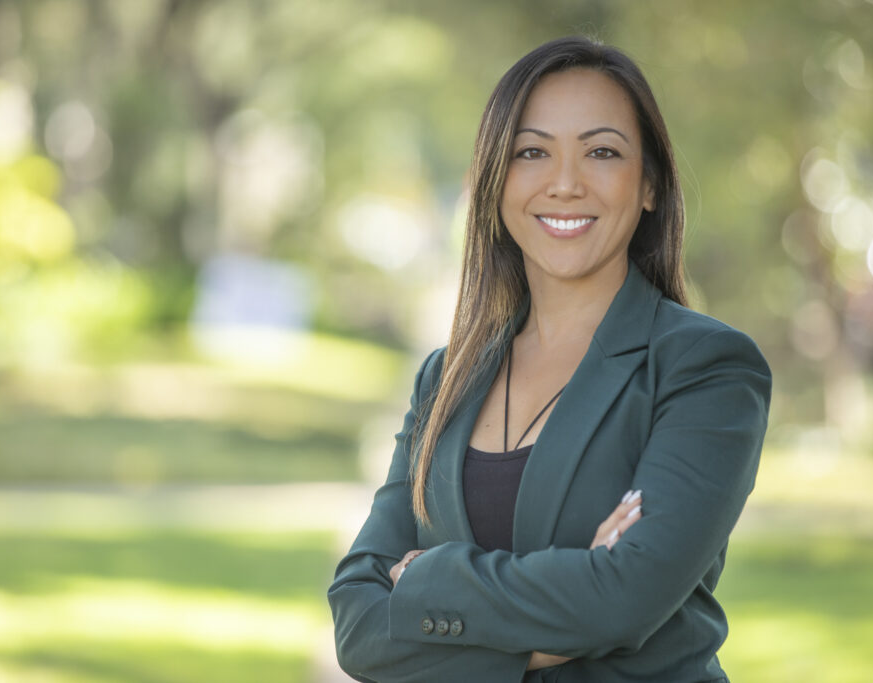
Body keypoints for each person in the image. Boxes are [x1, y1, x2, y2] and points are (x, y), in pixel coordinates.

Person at [327, 36, 771, 682]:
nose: (565, 183)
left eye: (602, 152)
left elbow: (623, 599)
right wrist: (569, 604)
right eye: (531, 152)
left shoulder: (704, 367)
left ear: (648, 184)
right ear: (495, 182)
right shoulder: (445, 377)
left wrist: (426, 579)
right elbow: (358, 626)